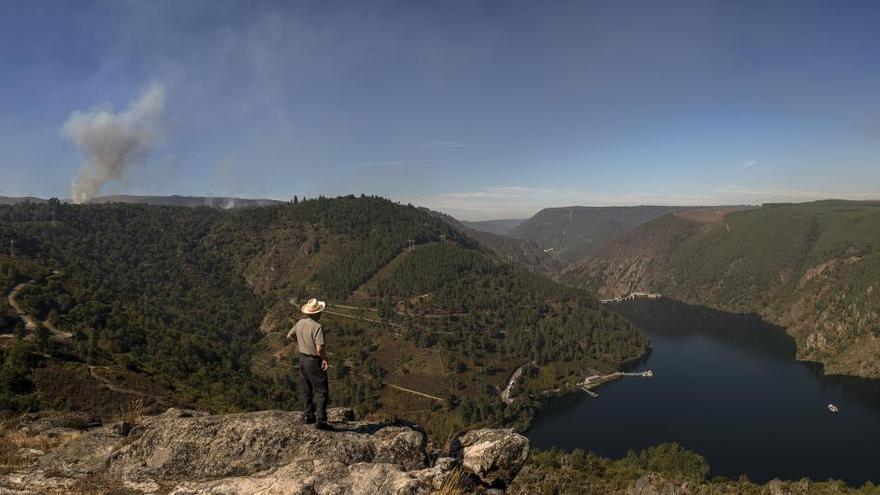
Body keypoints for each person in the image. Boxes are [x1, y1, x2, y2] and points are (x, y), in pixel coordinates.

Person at [287, 298, 332, 430]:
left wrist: (300, 342)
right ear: (317, 313)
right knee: (321, 391)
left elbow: (289, 336)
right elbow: (319, 348)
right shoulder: (317, 327)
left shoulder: (300, 322)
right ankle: (321, 421)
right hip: (314, 360)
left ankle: (308, 416)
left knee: (306, 388)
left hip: (302, 359)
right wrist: (324, 359)